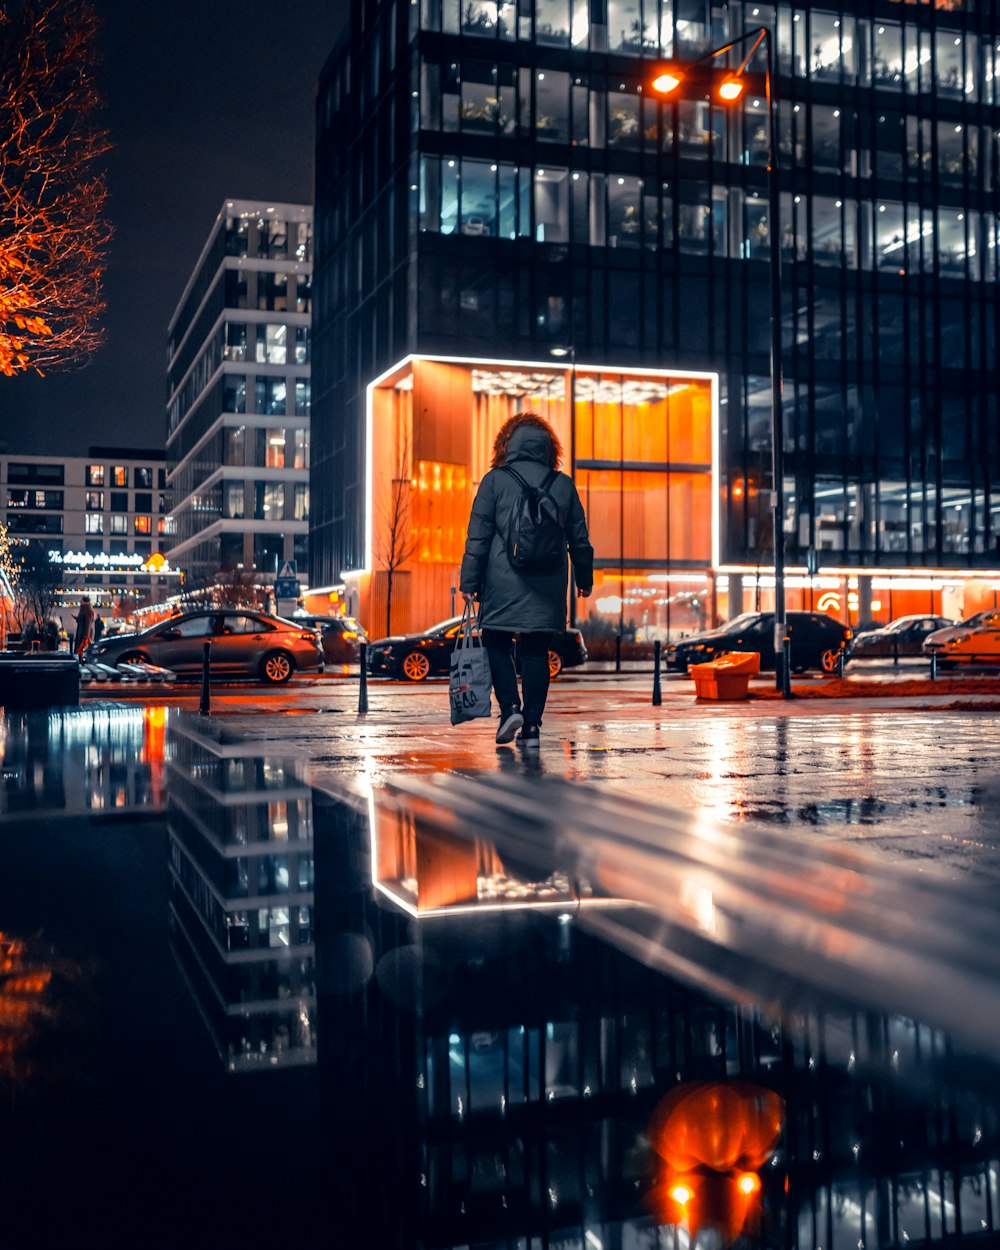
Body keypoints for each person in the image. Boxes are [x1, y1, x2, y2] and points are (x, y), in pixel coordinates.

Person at [459, 412, 593, 749]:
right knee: (535, 651)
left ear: (506, 446)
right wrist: (584, 578)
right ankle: (532, 726)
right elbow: (579, 538)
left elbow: (478, 538)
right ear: (550, 448)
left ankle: (510, 710)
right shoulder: (562, 485)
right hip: (547, 586)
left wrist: (469, 583)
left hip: (502, 583)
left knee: (497, 644)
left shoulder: (494, 481)